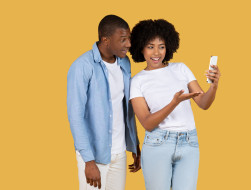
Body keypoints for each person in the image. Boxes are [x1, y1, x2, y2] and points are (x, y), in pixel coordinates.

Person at [129, 19, 221, 190]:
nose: (156, 52)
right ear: (140, 47)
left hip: (189, 142)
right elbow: (147, 123)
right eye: (150, 46)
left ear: (168, 47)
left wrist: (213, 86)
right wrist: (174, 103)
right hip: (158, 144)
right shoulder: (137, 81)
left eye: (161, 46)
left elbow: (203, 103)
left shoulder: (181, 68)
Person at [67, 15, 141, 190]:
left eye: (129, 38)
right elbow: (75, 115)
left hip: (119, 151)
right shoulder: (82, 66)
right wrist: (88, 161)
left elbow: (126, 108)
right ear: (105, 40)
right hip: (95, 154)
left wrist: (135, 145)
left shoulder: (124, 62)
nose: (129, 44)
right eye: (123, 39)